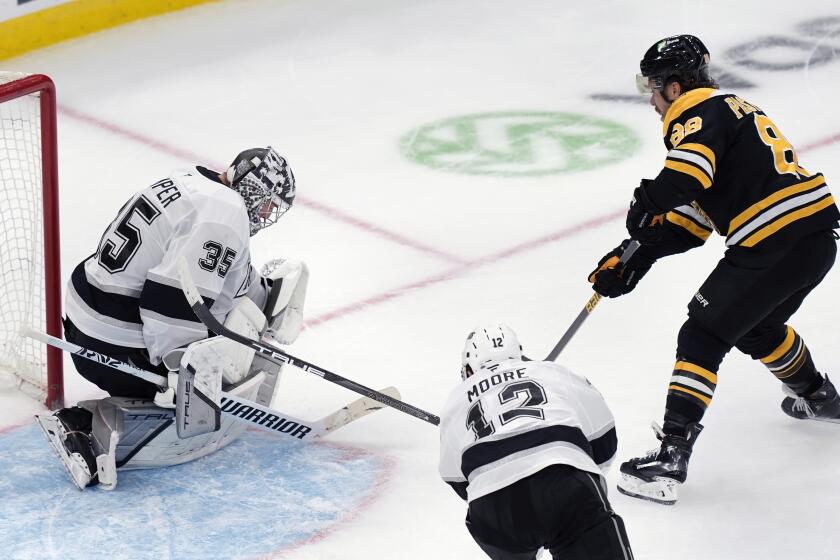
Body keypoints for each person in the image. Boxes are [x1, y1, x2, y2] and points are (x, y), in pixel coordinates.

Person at [588, 35, 840, 505]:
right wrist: (635, 257)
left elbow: (686, 178)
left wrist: (645, 203)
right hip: (814, 239)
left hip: (772, 240)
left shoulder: (695, 111)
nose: (651, 99)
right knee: (756, 327)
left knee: (702, 337)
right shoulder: (733, 111)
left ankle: (669, 461)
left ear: (677, 86)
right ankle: (820, 396)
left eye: (655, 86)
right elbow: (694, 218)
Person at [36, 146, 309, 490]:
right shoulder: (224, 213)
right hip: (110, 345)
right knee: (200, 387)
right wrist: (183, 374)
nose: (268, 213)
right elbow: (168, 303)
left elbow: (225, 277)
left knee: (215, 333)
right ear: (255, 189)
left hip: (86, 316)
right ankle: (81, 426)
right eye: (269, 203)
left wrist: (265, 297)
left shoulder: (194, 183)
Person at [438, 325, 633, 560]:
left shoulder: (456, 400)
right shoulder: (550, 372)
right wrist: (588, 474)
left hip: (493, 507)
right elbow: (604, 435)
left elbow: (455, 478)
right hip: (564, 479)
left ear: (469, 367)